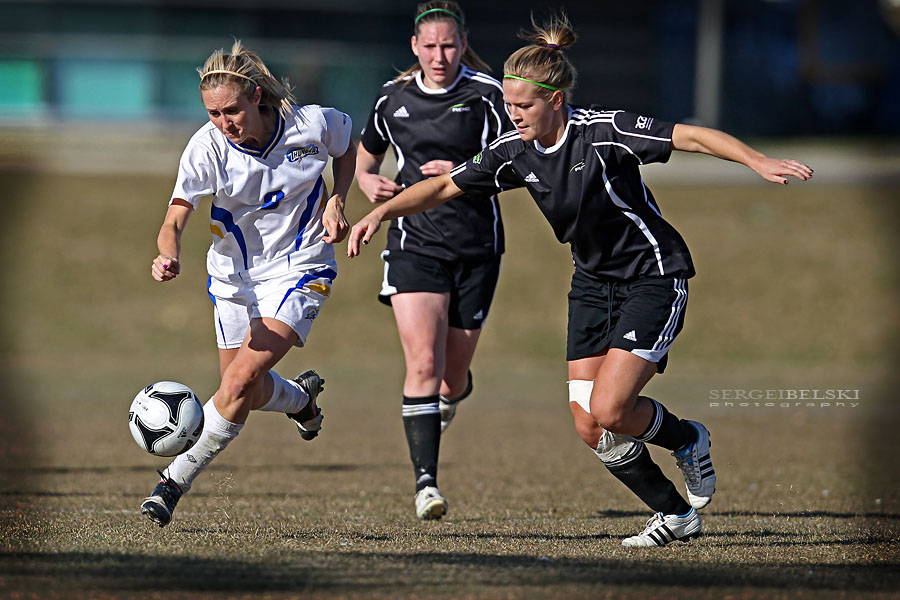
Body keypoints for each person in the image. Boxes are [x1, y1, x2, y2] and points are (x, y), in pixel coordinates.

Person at [348, 14, 813, 546]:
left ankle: (689, 439)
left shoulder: (602, 131)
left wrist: (757, 161)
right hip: (591, 285)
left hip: (652, 276)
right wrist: (379, 215)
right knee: (589, 425)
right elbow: (443, 188)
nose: (512, 114)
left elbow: (689, 136)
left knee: (612, 408)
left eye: (523, 106)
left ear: (555, 100)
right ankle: (676, 514)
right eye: (508, 104)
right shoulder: (513, 151)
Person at [140, 41, 356, 527]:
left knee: (238, 382)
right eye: (213, 113)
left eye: (231, 110)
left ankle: (171, 483)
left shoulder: (312, 123)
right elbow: (175, 217)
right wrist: (167, 253)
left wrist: (338, 199)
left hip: (303, 265)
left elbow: (348, 148)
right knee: (246, 393)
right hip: (234, 276)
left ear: (256, 96)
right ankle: (302, 400)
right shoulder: (207, 146)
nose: (223, 122)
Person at [355, 1, 513, 520]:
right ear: (414, 48)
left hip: (476, 248)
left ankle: (442, 404)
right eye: (430, 46)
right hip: (414, 243)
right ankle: (426, 484)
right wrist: (365, 180)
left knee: (451, 377)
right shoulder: (392, 98)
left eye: (449, 45)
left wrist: (465, 172)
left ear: (463, 44)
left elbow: (518, 160)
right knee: (422, 362)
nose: (439, 55)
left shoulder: (488, 95)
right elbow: (368, 153)